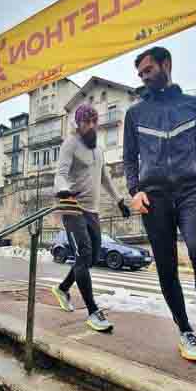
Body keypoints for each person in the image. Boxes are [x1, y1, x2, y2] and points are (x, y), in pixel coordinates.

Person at [123, 46, 196, 369]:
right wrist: (134, 191)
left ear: (166, 64)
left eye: (148, 70)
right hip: (154, 196)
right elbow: (129, 158)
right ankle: (185, 331)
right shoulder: (135, 114)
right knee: (166, 265)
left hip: (191, 190)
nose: (144, 77)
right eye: (140, 74)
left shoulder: (194, 106)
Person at [50, 104, 130, 333]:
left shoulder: (98, 150)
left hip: (92, 211)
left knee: (92, 257)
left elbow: (104, 177)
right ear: (78, 123)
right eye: (86, 122)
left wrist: (119, 200)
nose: (91, 126)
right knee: (84, 254)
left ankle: (63, 288)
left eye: (94, 121)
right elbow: (61, 174)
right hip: (73, 207)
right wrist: (63, 190)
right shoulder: (71, 144)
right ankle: (93, 311)